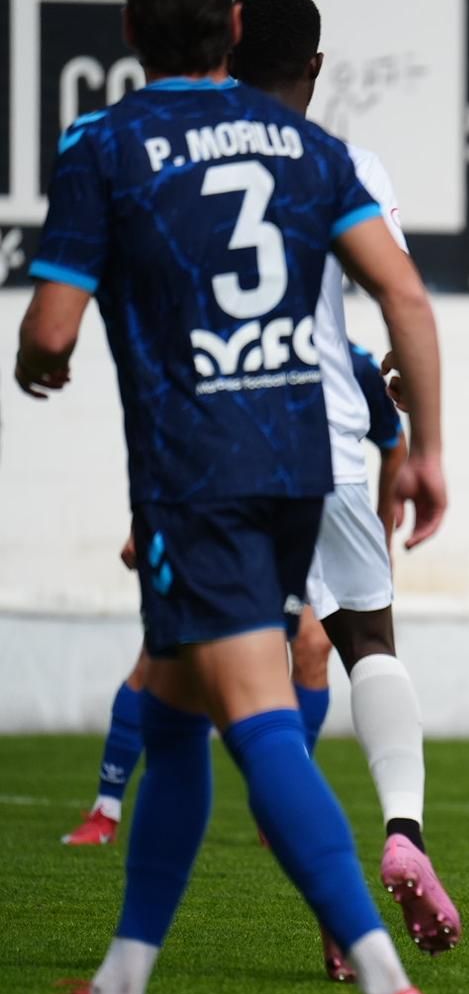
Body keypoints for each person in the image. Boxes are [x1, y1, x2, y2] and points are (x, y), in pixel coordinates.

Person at [18, 0, 445, 994]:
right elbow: (406, 297)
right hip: (300, 464)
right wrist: (424, 448)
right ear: (236, 23)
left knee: (252, 713)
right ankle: (117, 992)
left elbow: (53, 328)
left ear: (126, 29)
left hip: (194, 472)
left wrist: (42, 355)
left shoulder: (102, 141)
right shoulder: (309, 145)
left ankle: (387, 985)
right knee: (171, 714)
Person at [228, 0, 460, 964]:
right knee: (368, 636)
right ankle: (402, 831)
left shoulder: (172, 154)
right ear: (316, 69)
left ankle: (133, 968)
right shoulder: (343, 165)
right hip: (322, 434)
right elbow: (399, 298)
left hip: (211, 443)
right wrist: (415, 440)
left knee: (237, 679)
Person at [60, 346, 402, 857]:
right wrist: (144, 522)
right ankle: (106, 808)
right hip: (237, 525)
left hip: (317, 528)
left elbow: (394, 446)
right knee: (162, 659)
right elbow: (178, 438)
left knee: (312, 647)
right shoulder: (233, 350)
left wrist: (381, 540)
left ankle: (281, 803)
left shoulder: (352, 365)